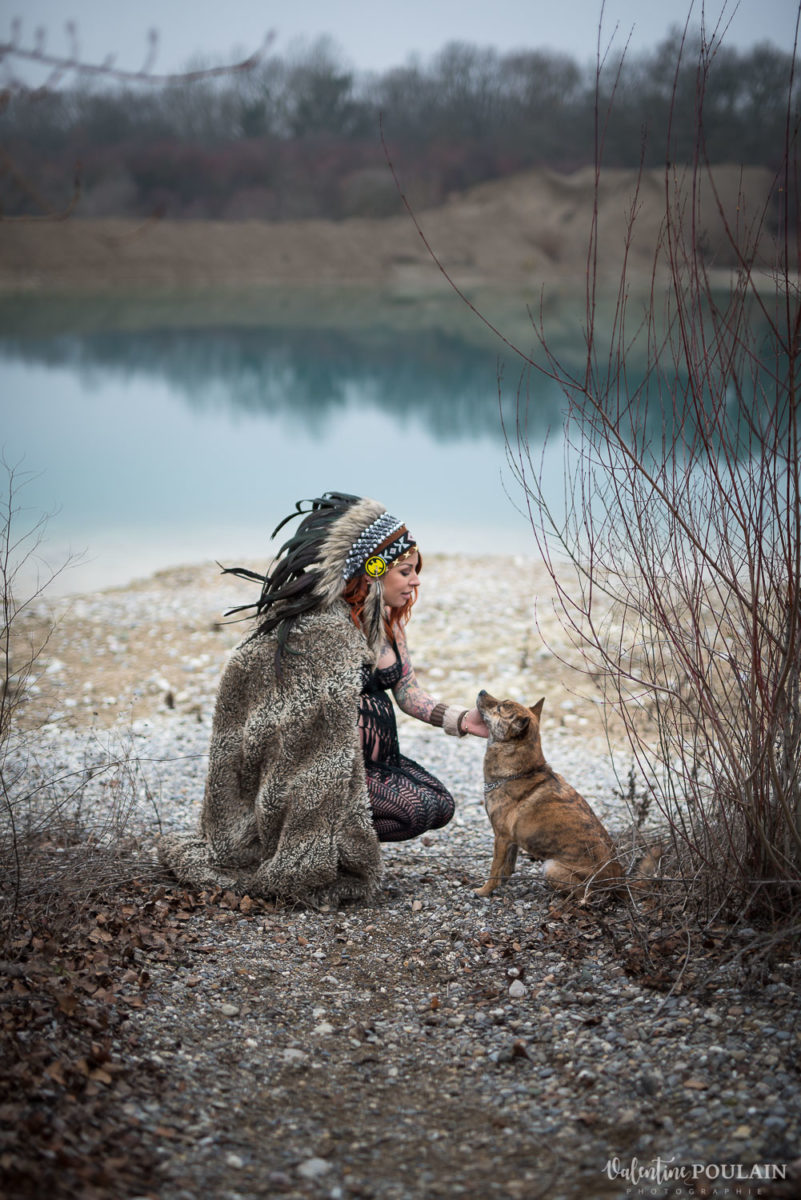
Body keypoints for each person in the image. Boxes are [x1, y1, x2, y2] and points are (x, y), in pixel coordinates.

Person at [159, 492, 487, 907]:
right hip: (328, 773)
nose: (416, 581)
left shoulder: (388, 625)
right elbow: (279, 702)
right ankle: (326, 846)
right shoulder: (320, 627)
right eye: (405, 572)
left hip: (378, 763)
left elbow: (407, 692)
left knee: (439, 806)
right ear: (372, 571)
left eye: (415, 571)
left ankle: (342, 841)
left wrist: (461, 719)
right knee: (412, 809)